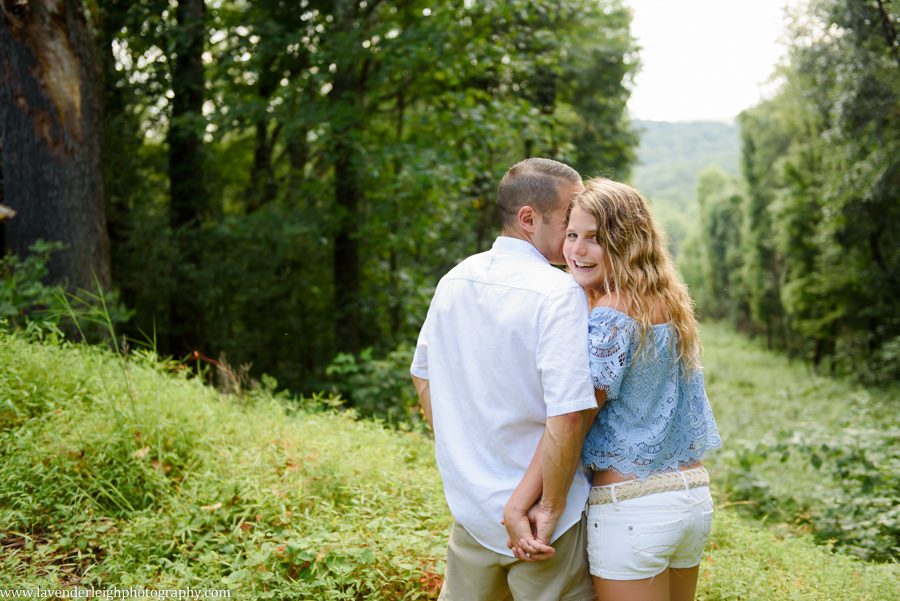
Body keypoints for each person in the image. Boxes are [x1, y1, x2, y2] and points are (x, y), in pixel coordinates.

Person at [507, 177, 722, 601]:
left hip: (632, 506)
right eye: (571, 235)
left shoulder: (610, 316)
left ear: (626, 243)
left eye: (595, 239)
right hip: (691, 499)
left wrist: (528, 502)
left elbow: (575, 418)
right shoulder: (669, 300)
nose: (576, 250)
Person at [410, 158, 599, 601]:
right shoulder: (558, 292)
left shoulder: (454, 280)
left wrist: (467, 458)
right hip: (546, 524)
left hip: (473, 512)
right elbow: (569, 416)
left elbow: (422, 377)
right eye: (570, 214)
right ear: (529, 218)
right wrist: (548, 508)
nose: (578, 224)